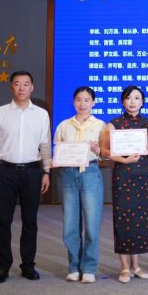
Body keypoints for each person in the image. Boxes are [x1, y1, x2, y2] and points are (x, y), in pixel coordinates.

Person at [0, 70, 51, 284]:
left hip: (32, 172)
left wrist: (46, 171)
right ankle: (3, 266)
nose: (21, 88)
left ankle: (28, 265)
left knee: (30, 221)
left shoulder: (41, 114)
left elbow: (45, 144)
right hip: (5, 172)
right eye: (17, 84)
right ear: (11, 87)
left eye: (26, 84)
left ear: (32, 87)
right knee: (3, 221)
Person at [101, 86, 148, 283]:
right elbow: (104, 151)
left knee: (141, 220)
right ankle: (124, 267)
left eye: (137, 98)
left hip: (144, 177)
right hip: (123, 176)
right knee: (123, 219)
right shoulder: (113, 124)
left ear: (142, 102)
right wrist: (124, 160)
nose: (132, 102)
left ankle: (137, 266)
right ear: (122, 101)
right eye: (128, 98)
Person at [53, 86, 106, 284]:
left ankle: (89, 267)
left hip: (90, 172)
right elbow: (57, 149)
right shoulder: (64, 125)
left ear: (93, 102)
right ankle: (74, 266)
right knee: (70, 224)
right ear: (73, 102)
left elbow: (106, 153)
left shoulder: (101, 125)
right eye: (78, 99)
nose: (82, 104)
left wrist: (98, 149)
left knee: (92, 224)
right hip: (68, 174)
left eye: (86, 100)